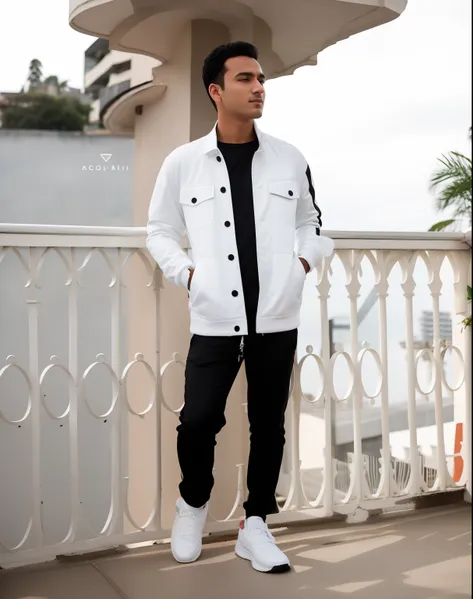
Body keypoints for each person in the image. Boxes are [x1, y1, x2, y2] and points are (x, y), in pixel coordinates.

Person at [146, 41, 334, 573]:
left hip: (276, 315)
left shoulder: (291, 157)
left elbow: (312, 224)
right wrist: (187, 274)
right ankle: (193, 504)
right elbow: (159, 230)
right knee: (198, 419)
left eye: (261, 80)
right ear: (216, 90)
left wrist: (301, 266)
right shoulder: (183, 163)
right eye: (246, 79)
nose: (259, 89)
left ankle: (256, 525)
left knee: (268, 423)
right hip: (214, 317)